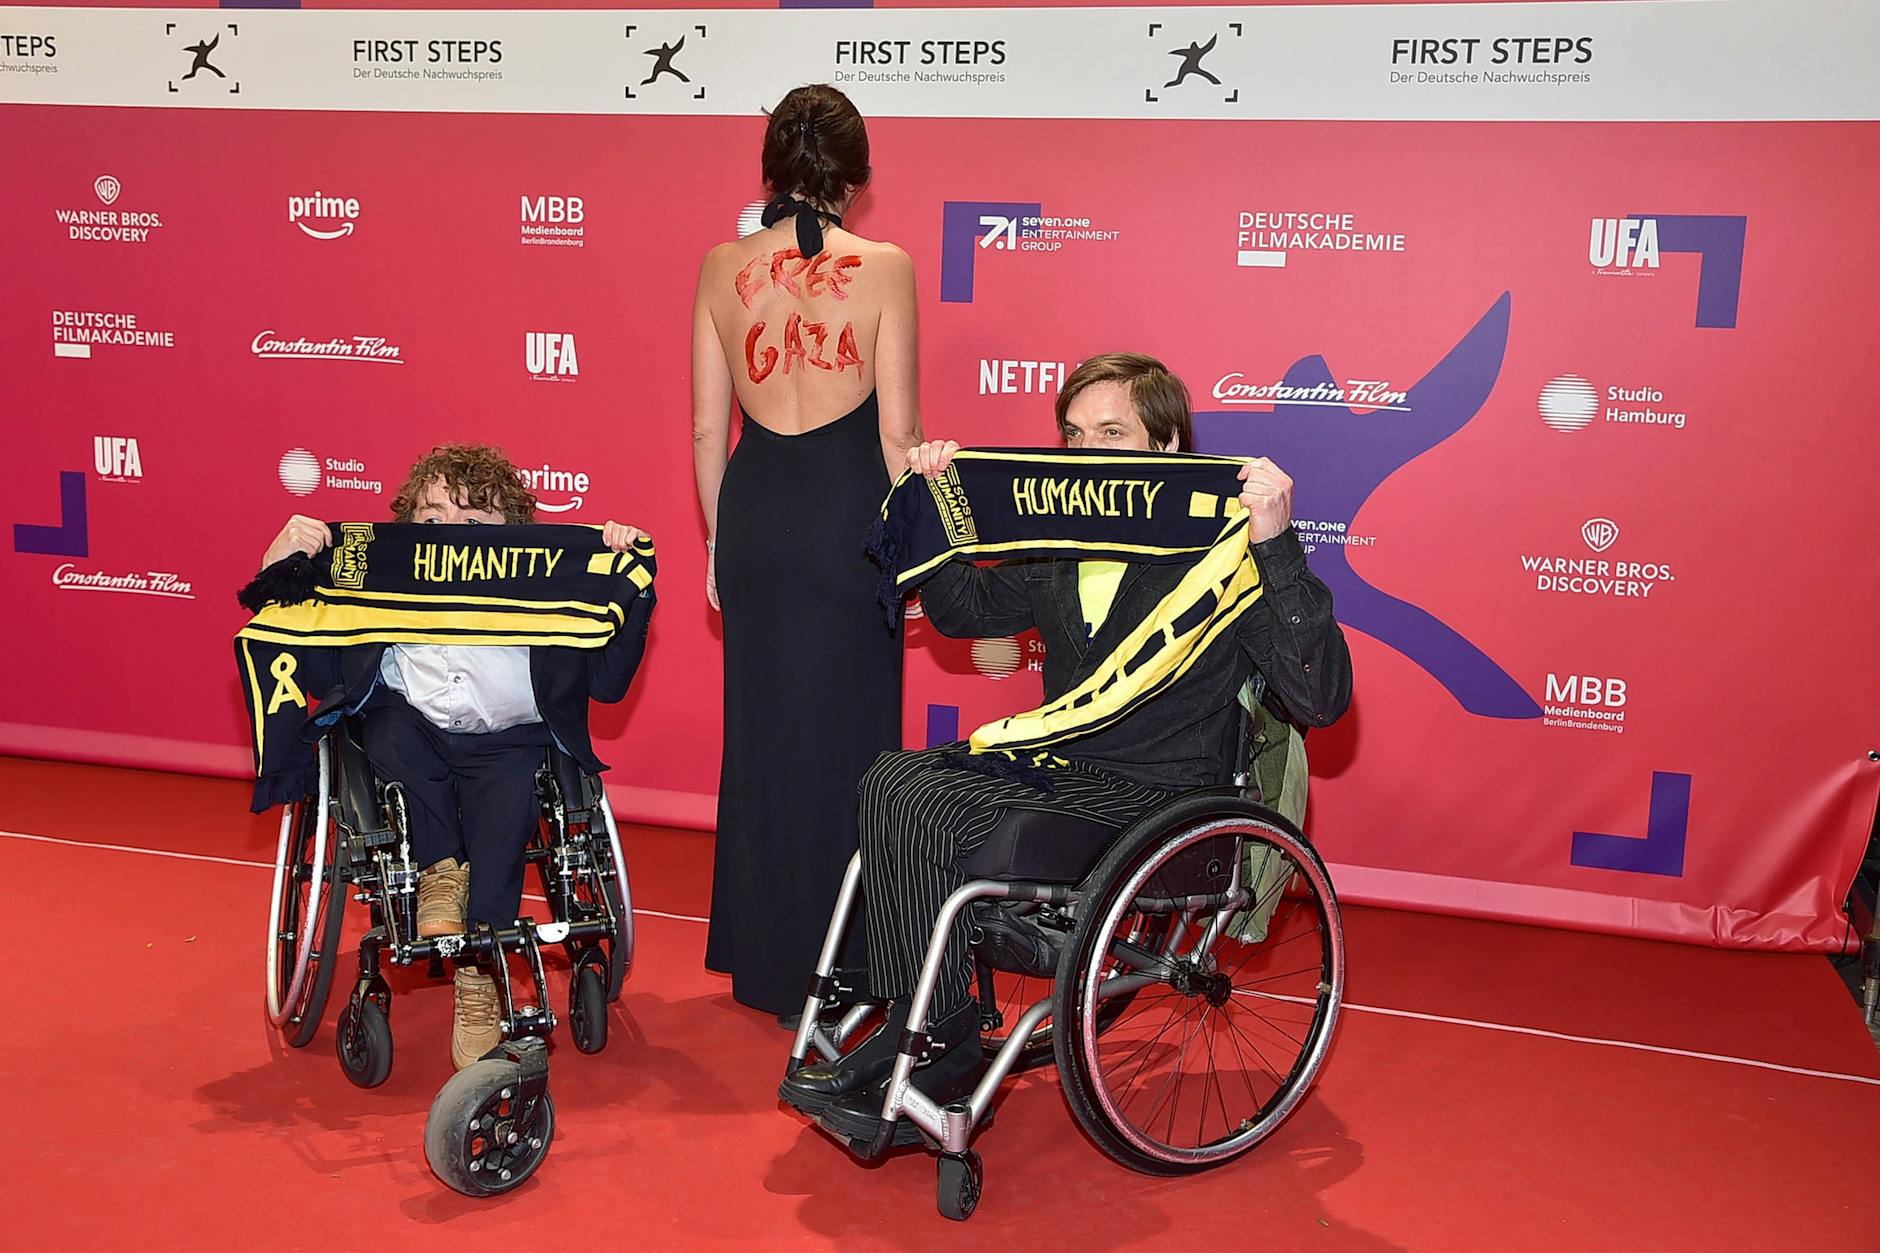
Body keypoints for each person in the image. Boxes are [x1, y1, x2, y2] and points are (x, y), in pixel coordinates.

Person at [779, 352, 1352, 1120]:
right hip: (1062, 768)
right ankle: (926, 1028)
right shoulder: (1061, 542)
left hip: (1160, 795)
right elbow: (969, 613)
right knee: (890, 779)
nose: (1087, 454)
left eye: (1111, 433)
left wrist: (1276, 546)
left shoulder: (1229, 553)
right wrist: (938, 510)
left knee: (931, 806)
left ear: (1167, 448)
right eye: (1075, 436)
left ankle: (934, 1046)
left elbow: (1321, 696)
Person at [258, 443, 653, 1069]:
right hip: (409, 725)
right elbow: (297, 647)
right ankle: (440, 869)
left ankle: (478, 976)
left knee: (507, 815)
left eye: (476, 524)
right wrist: (282, 559)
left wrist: (624, 576)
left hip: (508, 738)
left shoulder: (544, 584)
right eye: (435, 519)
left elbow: (605, 683)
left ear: (513, 537)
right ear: (408, 526)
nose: (454, 539)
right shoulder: (376, 570)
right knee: (382, 728)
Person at [692, 84, 921, 1022]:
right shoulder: (888, 266)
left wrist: (717, 542)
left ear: (771, 169)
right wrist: (918, 557)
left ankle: (769, 960)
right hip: (847, 522)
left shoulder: (719, 265)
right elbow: (902, 440)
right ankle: (847, 966)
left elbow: (710, 430)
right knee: (851, 744)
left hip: (756, 516)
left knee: (763, 739)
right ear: (857, 178)